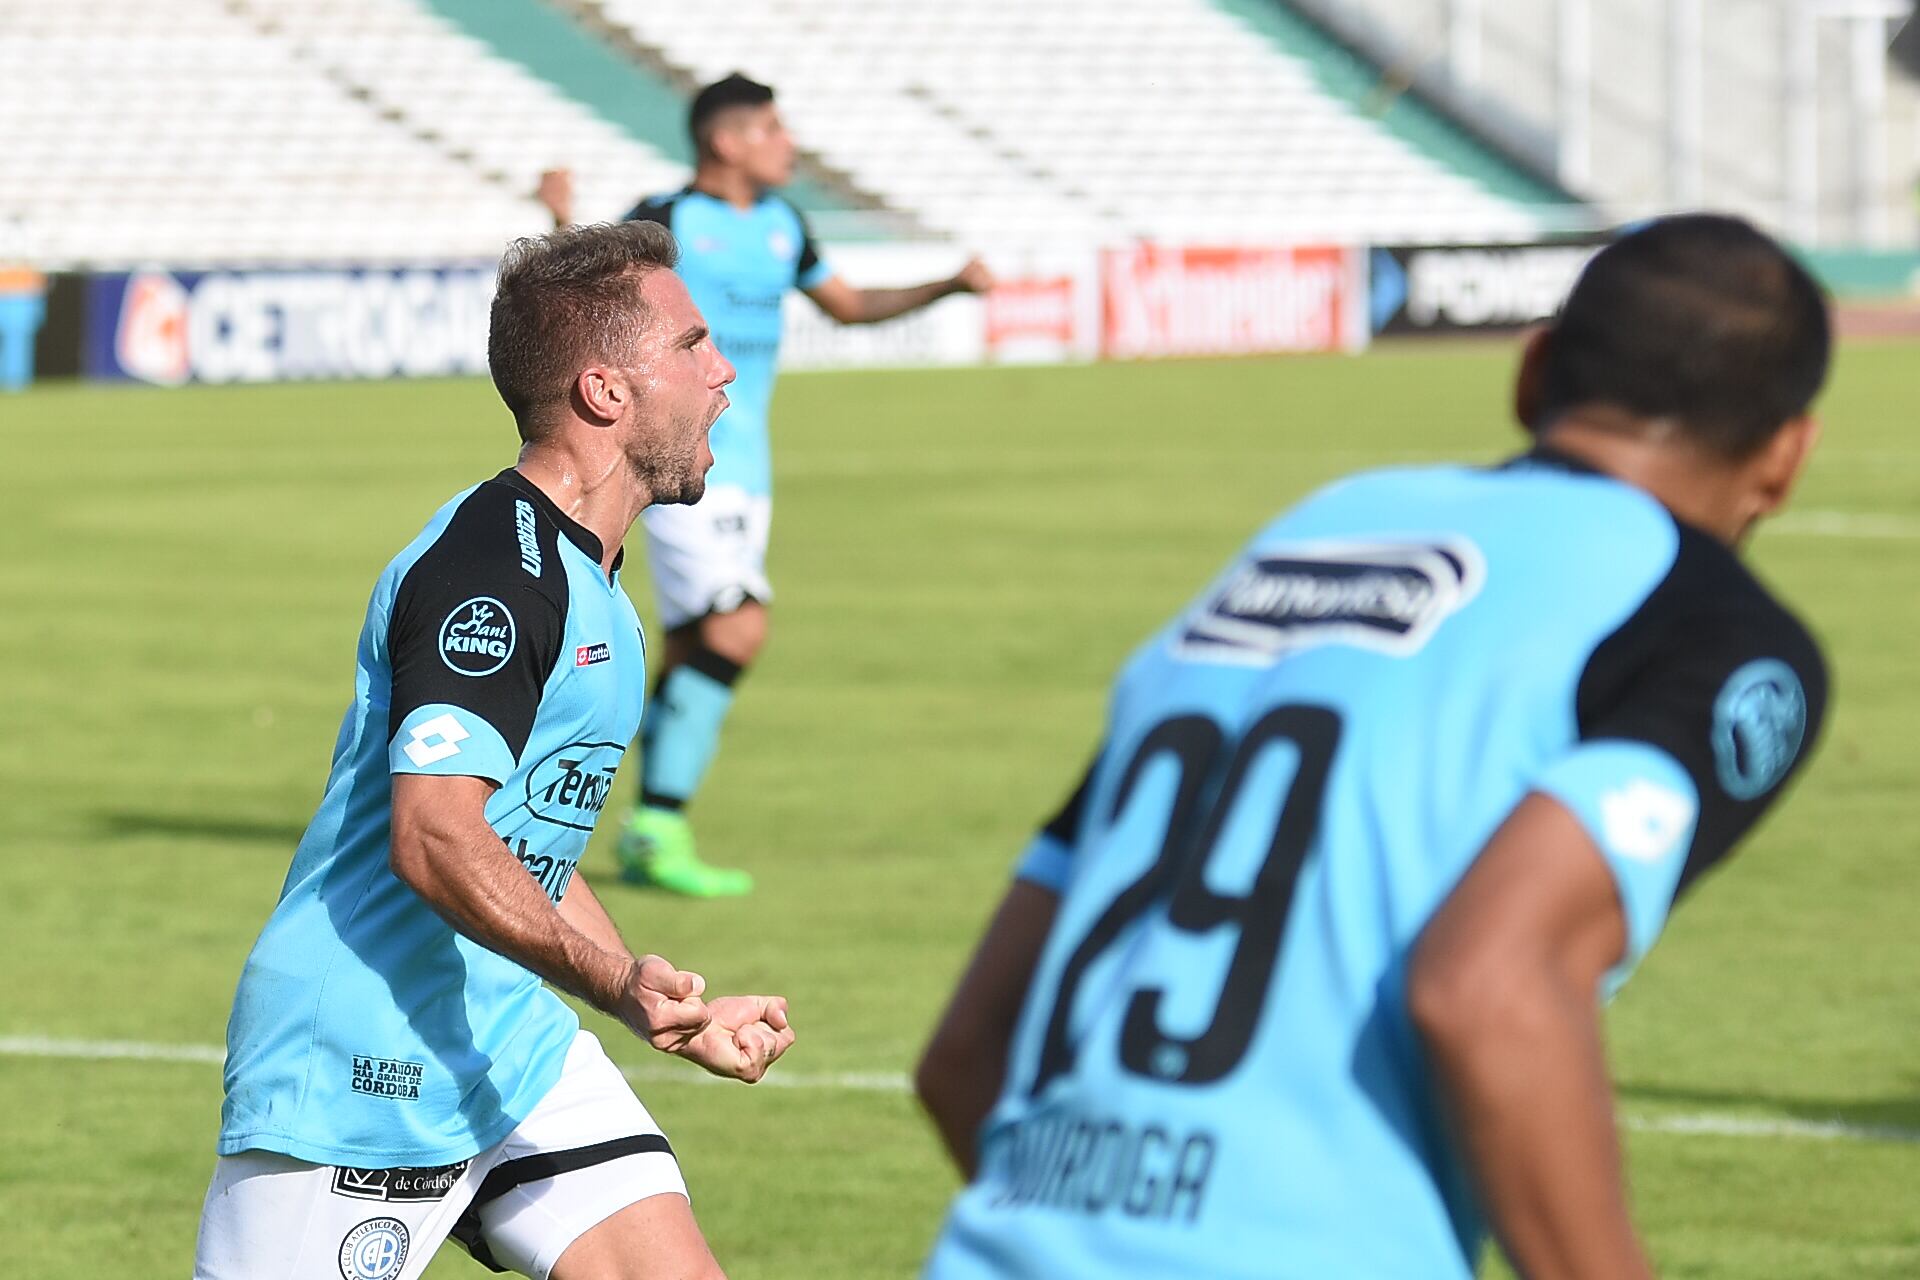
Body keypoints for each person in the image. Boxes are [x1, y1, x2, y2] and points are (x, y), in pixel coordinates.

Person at [915, 214, 1832, 1280]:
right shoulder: (1708, 624)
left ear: (1533, 372)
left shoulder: (1320, 528)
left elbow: (967, 1051)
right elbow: (1489, 987)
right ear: (1788, 452)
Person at [194, 220, 795, 1280]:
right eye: (693, 345)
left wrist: (642, 993)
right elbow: (435, 838)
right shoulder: (495, 574)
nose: (724, 368)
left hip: (508, 1034)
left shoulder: (590, 574)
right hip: (362, 1056)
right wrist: (613, 976)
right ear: (607, 392)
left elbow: (520, 842)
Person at [542, 73, 994, 897]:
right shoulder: (671, 218)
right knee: (736, 627)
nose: (790, 144)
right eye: (774, 130)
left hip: (748, 471)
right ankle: (650, 820)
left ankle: (641, 827)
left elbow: (849, 306)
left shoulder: (785, 224)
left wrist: (949, 285)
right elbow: (593, 294)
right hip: (676, 458)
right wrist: (560, 220)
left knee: (693, 644)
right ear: (726, 140)